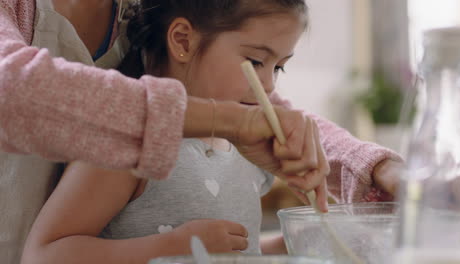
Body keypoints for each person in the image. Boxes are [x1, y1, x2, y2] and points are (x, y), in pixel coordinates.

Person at [20, 0, 402, 263]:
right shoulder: (132, 141)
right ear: (183, 41)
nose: (269, 87)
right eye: (256, 61)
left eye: (279, 67)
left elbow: (234, 252)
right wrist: (173, 247)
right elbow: (44, 255)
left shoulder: (246, 152)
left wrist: (292, 246)